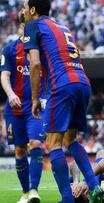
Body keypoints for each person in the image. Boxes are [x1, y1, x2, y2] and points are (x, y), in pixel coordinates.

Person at [22, 0, 103, 202]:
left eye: (24, 7)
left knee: (53, 143)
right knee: (69, 140)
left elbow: (35, 64)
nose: (22, 11)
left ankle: (67, 199)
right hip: (82, 82)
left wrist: (34, 98)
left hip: (62, 85)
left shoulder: (33, 25)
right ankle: (94, 187)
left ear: (33, 10)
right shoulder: (62, 26)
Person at [0, 10, 44, 203]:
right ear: (19, 28)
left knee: (35, 143)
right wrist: (10, 94)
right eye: (23, 25)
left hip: (35, 108)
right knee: (19, 151)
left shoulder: (41, 49)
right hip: (15, 109)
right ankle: (25, 193)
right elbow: (4, 75)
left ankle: (34, 190)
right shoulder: (9, 49)